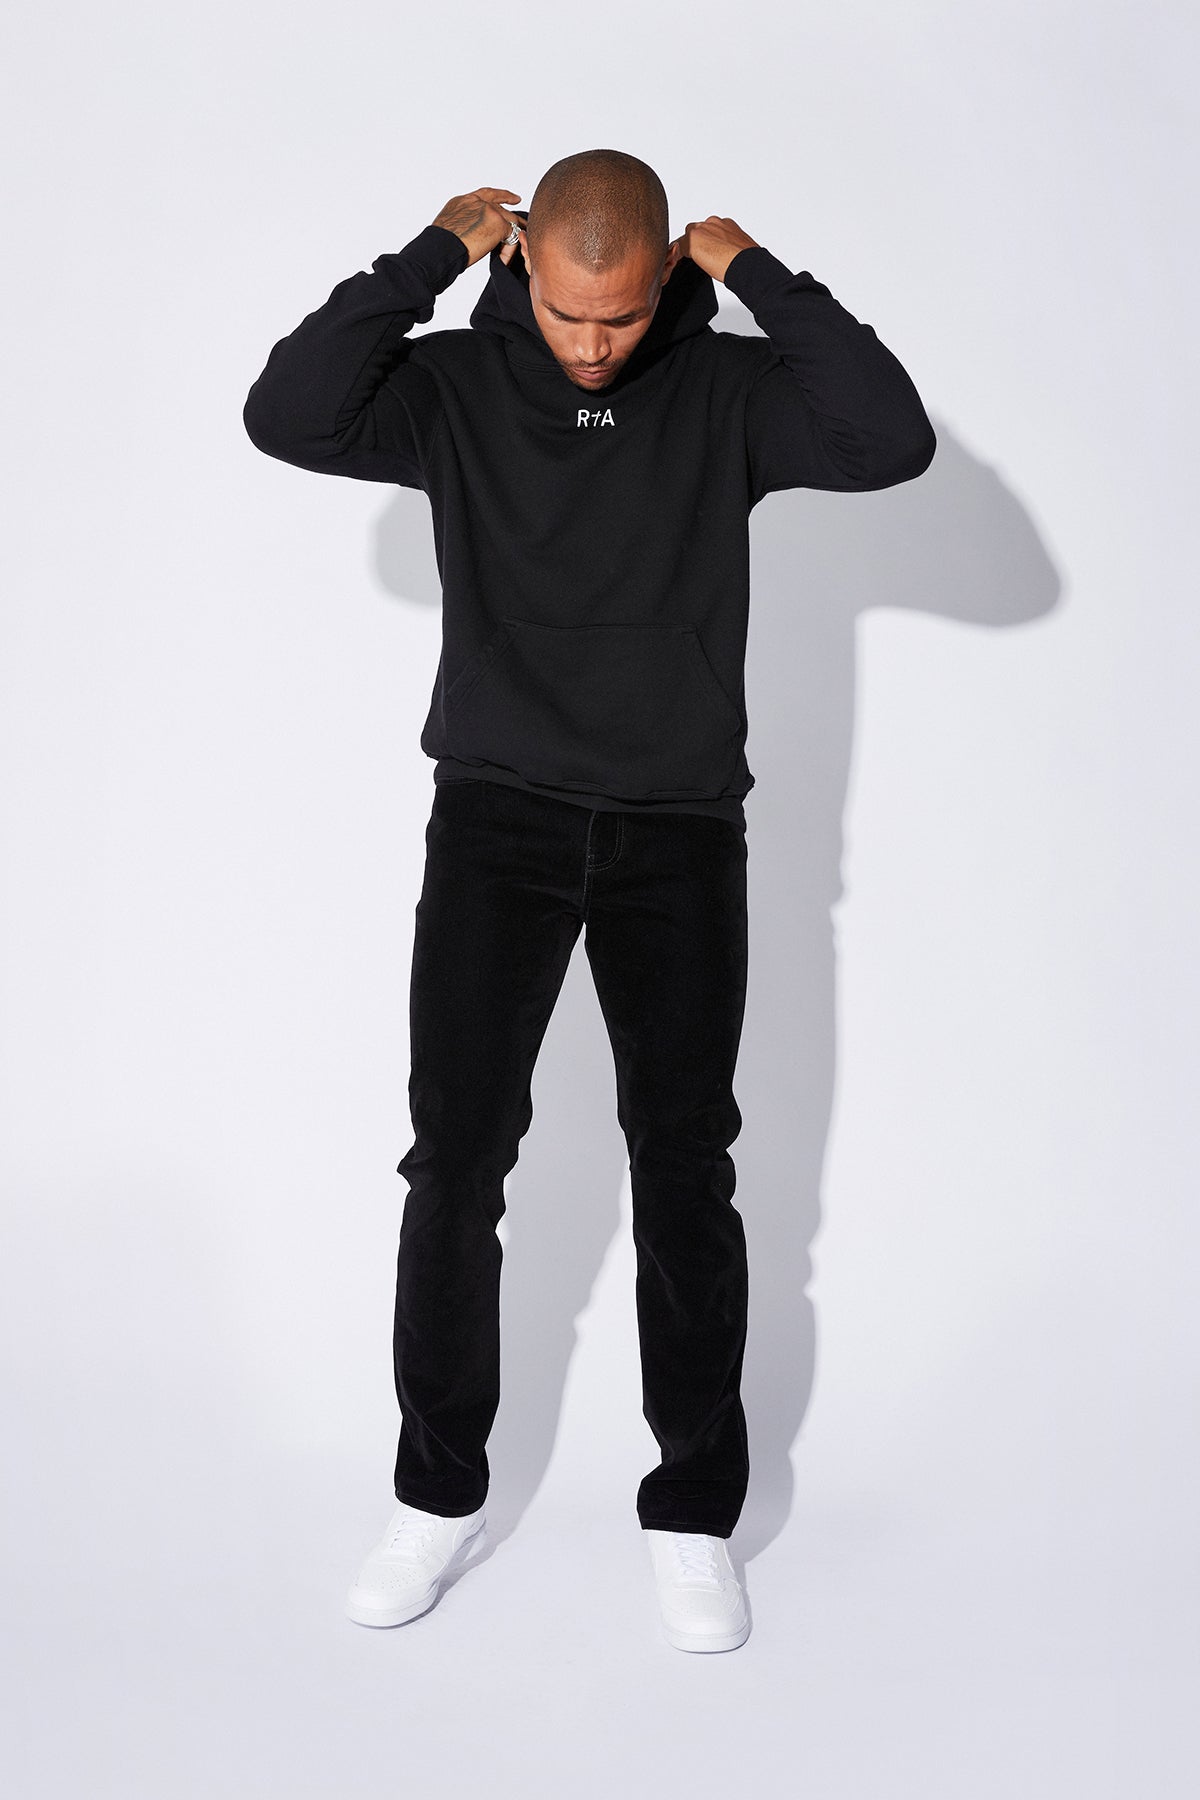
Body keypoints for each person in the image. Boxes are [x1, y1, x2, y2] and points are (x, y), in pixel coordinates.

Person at [243, 148, 936, 1654]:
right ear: (524, 270)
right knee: (456, 1165)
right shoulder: (452, 386)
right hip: (497, 819)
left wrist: (756, 272)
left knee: (688, 1174)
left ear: (666, 278)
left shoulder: (728, 391)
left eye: (621, 316)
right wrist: (427, 254)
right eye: (568, 312)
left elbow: (890, 438)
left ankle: (692, 1513)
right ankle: (437, 1494)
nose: (595, 344)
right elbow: (287, 411)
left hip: (680, 833)